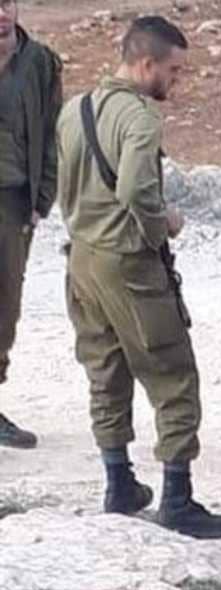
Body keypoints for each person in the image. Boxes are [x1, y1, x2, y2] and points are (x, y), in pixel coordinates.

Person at [56, 15, 221, 539]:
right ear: (145, 64)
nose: (177, 81)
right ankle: (177, 500)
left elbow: (65, 182)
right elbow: (137, 189)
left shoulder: (75, 109)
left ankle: (119, 483)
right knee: (173, 375)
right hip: (129, 264)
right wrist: (162, 225)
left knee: (104, 369)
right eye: (173, 71)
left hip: (82, 258)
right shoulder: (138, 118)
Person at [0, 0, 62, 449]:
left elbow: (51, 130)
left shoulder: (39, 62)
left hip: (13, 201)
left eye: (7, 2)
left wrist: (43, 198)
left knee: (5, 305)